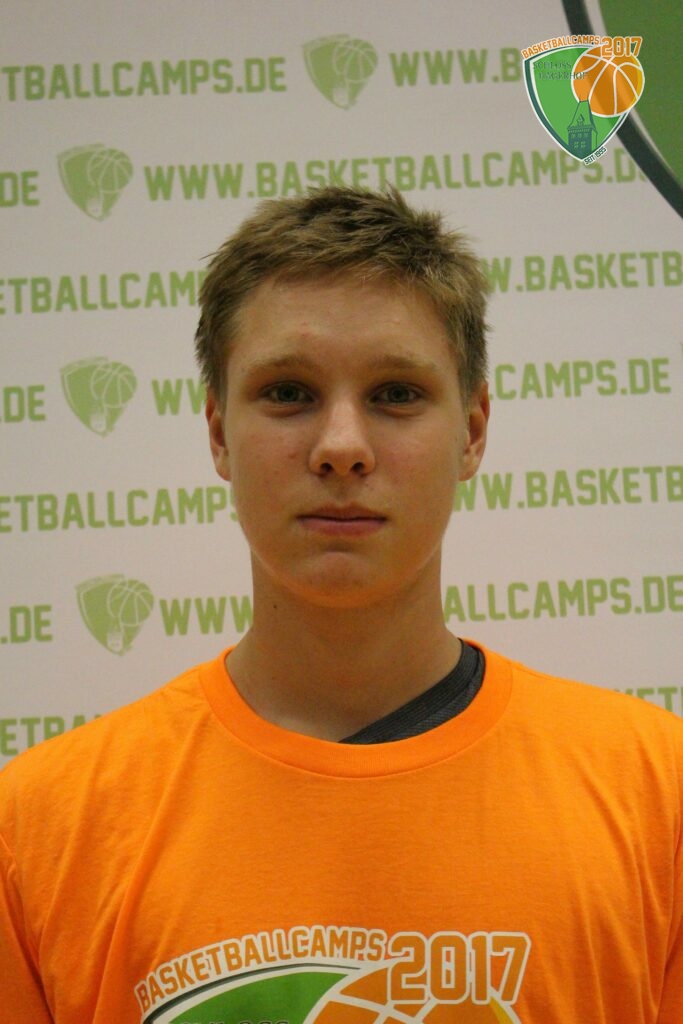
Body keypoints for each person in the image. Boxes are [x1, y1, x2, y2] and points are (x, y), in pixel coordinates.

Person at [1, 187, 681, 1024]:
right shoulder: (42, 828)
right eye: (288, 392)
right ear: (217, 432)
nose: (342, 448)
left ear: (472, 431)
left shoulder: (657, 796)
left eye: (395, 394)